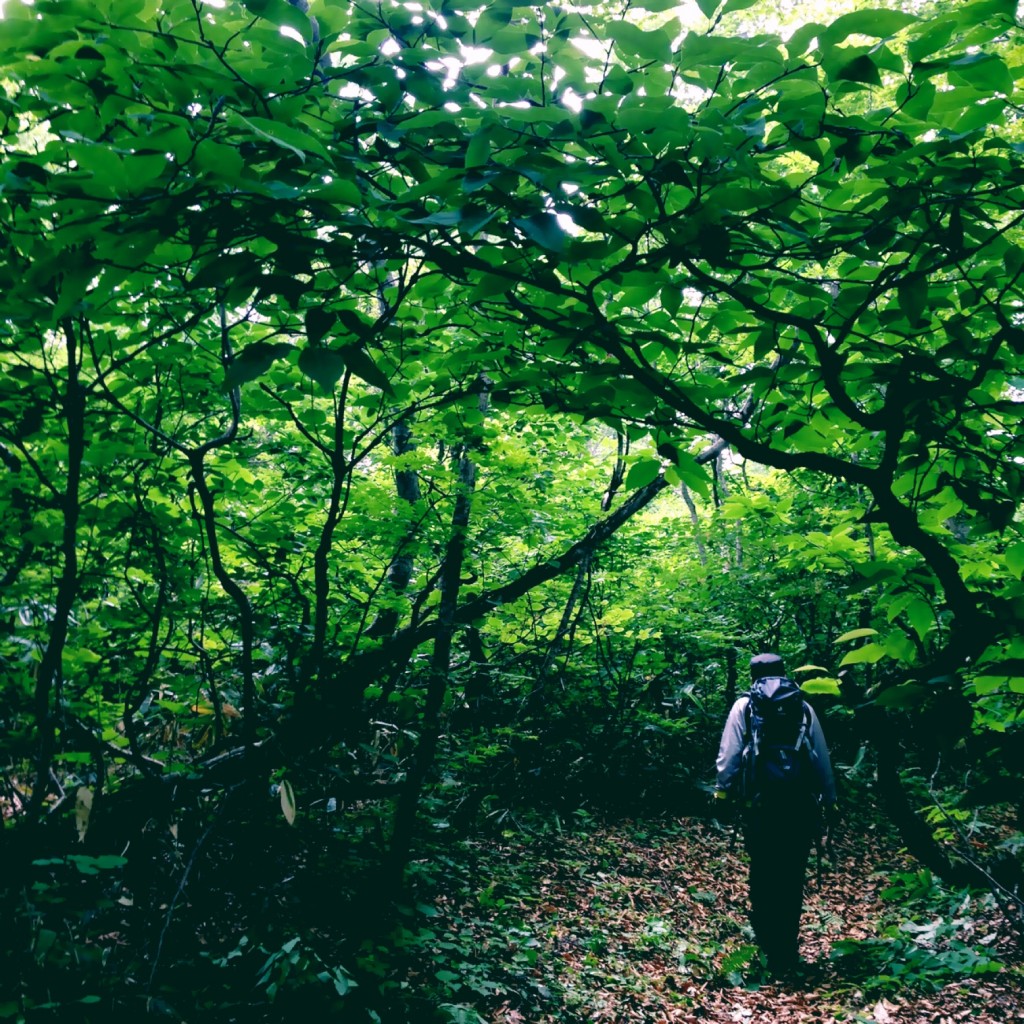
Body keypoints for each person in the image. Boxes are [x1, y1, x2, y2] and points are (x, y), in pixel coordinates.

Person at [714, 652, 836, 978]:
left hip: (760, 806)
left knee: (764, 872)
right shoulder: (803, 708)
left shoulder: (746, 707)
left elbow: (729, 756)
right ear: (784, 673)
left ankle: (767, 949)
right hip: (799, 807)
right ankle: (787, 949)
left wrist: (723, 792)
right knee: (792, 876)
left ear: (752, 675)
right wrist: (830, 800)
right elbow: (821, 757)